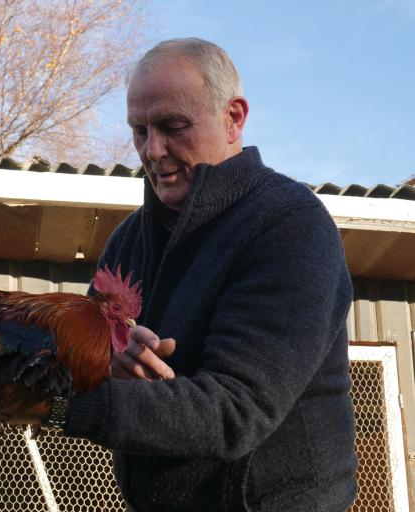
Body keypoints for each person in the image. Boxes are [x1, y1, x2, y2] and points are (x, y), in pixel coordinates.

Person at [59, 38, 358, 511]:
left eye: (173, 126)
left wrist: (56, 405)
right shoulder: (128, 241)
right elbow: (87, 363)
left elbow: (237, 410)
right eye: (139, 130)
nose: (152, 150)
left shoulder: (288, 224)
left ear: (234, 117)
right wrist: (103, 366)